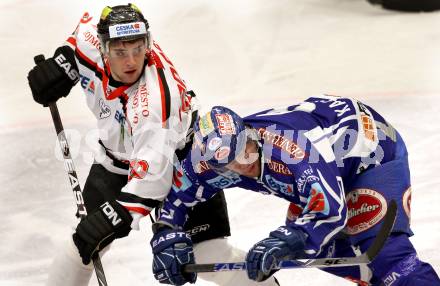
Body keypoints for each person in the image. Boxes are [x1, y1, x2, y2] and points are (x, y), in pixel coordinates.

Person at [27, 4, 279, 286]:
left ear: (147, 43)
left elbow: (153, 181)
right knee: (81, 245)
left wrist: (115, 217)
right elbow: (76, 43)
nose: (132, 61)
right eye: (120, 52)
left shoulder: (156, 101)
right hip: (116, 158)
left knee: (206, 253)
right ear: (103, 47)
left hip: (182, 159)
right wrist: (61, 66)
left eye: (138, 49)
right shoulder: (90, 36)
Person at [151, 95, 440, 285]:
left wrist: (291, 239)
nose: (243, 165)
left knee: (388, 256)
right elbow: (176, 200)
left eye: (245, 150)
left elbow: (330, 211)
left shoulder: (291, 148)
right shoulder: (209, 160)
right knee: (313, 245)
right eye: (228, 165)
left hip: (371, 151)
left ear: (249, 133)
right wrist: (165, 234)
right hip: (330, 163)